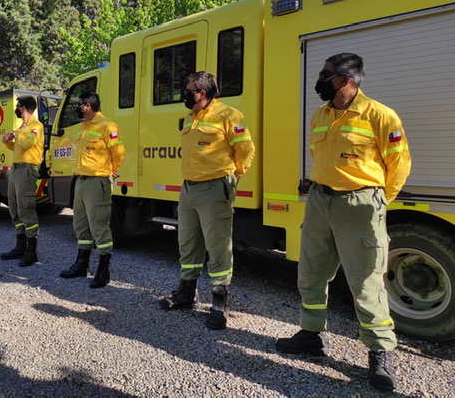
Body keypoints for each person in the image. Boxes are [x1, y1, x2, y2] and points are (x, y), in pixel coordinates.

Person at [275, 53, 411, 392]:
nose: (320, 79)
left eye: (326, 74)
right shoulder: (320, 114)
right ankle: (311, 335)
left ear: (346, 79)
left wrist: (379, 200)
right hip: (320, 201)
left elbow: (400, 164)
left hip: (359, 204)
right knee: (311, 272)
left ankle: (379, 352)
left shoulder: (380, 115)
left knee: (366, 282)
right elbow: (320, 155)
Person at [159, 71, 255, 329]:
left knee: (218, 245)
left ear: (202, 93)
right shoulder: (191, 117)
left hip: (215, 187)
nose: (185, 94)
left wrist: (234, 177)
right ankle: (186, 294)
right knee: (187, 242)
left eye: (188, 90)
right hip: (189, 188)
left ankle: (219, 303)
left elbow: (246, 150)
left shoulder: (229, 115)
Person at [59, 91, 125, 288]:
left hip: (97, 182)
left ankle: (103, 271)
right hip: (80, 181)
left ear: (87, 106)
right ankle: (81, 265)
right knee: (80, 224)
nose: (78, 108)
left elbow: (119, 153)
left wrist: (109, 169)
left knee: (99, 227)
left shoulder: (107, 126)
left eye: (79, 104)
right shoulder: (82, 127)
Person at [0, 96, 44, 266]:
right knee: (14, 207)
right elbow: (17, 147)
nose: (17, 109)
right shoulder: (23, 126)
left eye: (18, 106)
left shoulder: (36, 126)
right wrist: (6, 141)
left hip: (27, 170)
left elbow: (28, 142)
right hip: (16, 169)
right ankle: (20, 246)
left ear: (24, 108)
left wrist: (15, 134)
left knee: (26, 208)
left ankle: (32, 252)